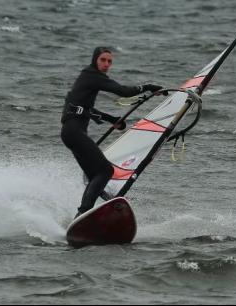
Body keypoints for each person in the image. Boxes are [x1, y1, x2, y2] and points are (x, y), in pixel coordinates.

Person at [60, 46, 164, 218]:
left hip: (70, 133)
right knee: (106, 171)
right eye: (103, 60)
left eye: (110, 61)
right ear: (95, 60)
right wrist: (149, 86)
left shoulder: (86, 77)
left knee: (95, 176)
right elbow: (124, 92)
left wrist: (111, 119)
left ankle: (86, 215)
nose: (107, 64)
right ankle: (83, 213)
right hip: (74, 132)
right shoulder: (92, 76)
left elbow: (83, 108)